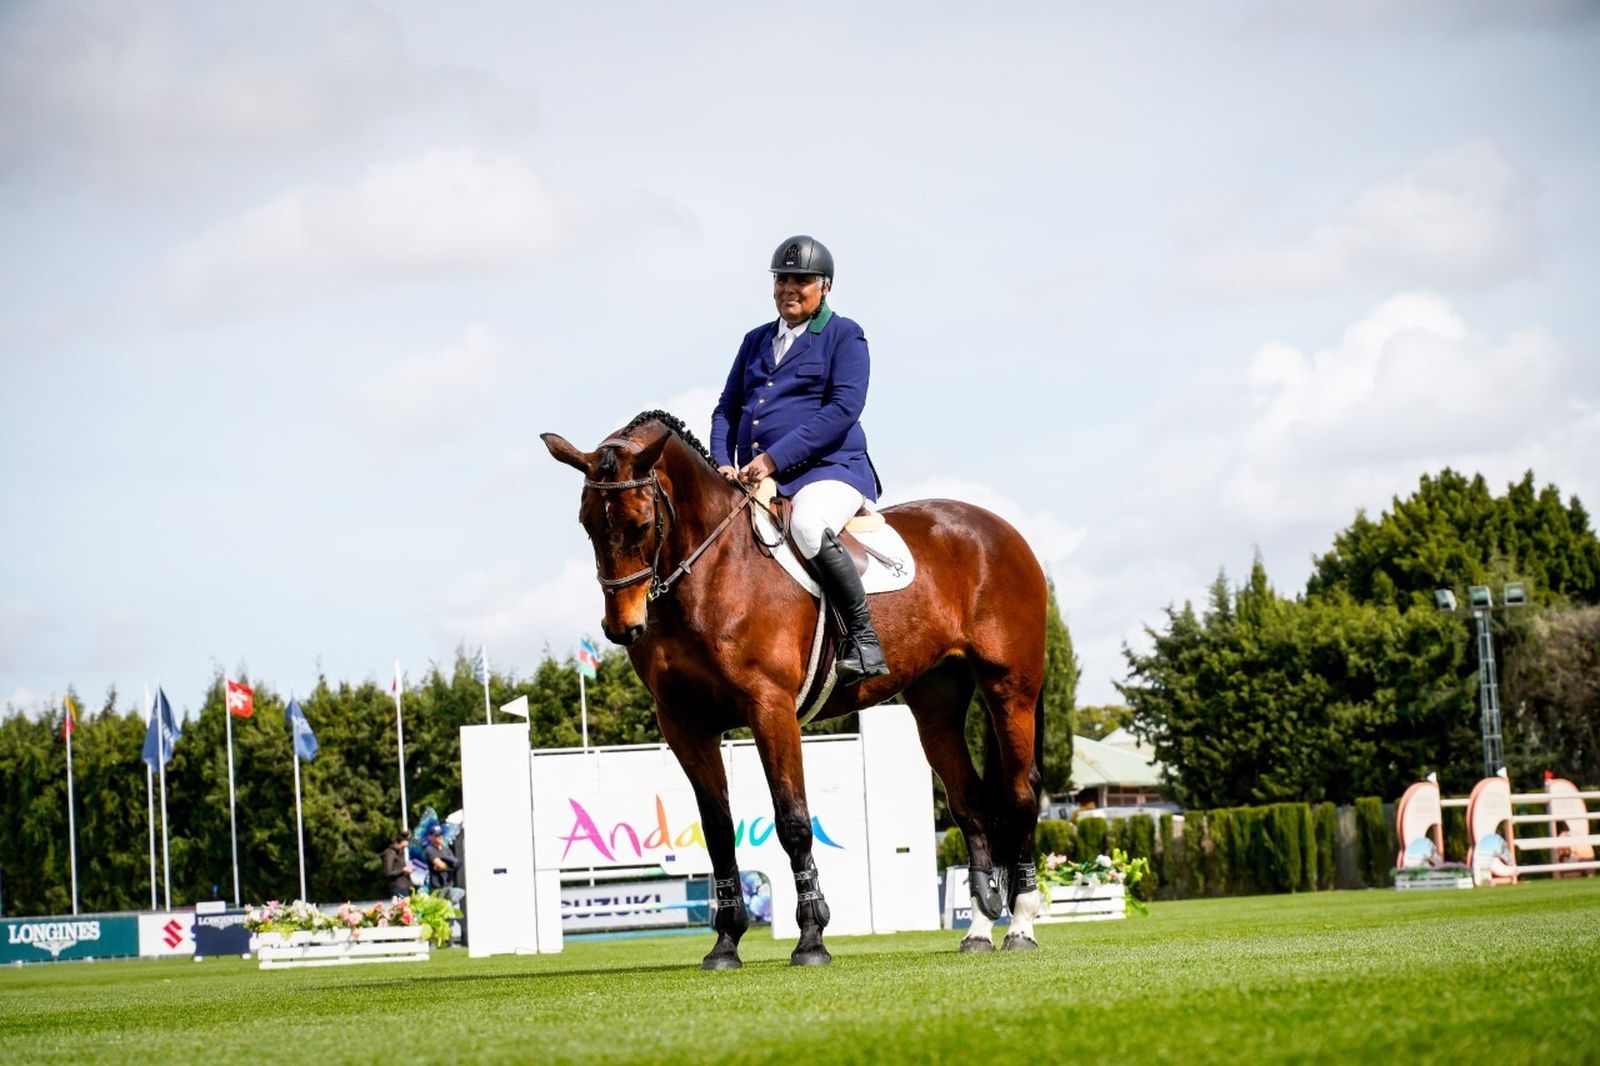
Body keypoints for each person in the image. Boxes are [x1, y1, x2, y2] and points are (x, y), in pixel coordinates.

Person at [710, 235, 889, 685]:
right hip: (755, 476)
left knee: (808, 526)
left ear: (824, 286)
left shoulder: (844, 335)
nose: (790, 288)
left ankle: (863, 641)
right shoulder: (755, 340)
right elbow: (727, 409)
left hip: (831, 471)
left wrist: (772, 459)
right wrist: (720, 462)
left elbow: (843, 409)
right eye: (782, 279)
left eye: (802, 280)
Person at [424, 824, 459, 893]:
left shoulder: (447, 849)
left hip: (449, 885)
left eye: (441, 834)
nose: (440, 837)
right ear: (430, 837)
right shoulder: (429, 849)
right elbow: (440, 865)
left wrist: (447, 866)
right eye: (436, 835)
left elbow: (456, 864)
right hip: (437, 888)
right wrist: (450, 866)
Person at [381, 832, 411, 897]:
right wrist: (403, 870)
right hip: (397, 887)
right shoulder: (390, 853)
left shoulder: (400, 852)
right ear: (398, 842)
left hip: (405, 886)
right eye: (403, 847)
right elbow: (388, 872)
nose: (403, 849)